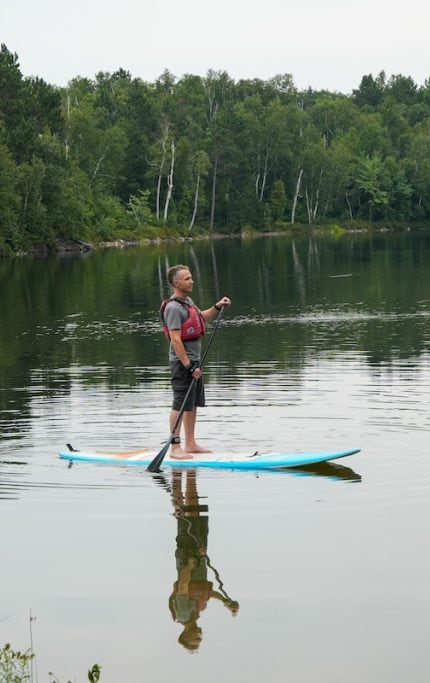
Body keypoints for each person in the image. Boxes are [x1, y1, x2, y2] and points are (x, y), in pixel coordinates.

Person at [160, 265, 231, 457]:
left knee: (191, 403)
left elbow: (202, 318)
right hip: (182, 364)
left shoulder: (187, 302)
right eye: (187, 278)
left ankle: (190, 444)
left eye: (191, 278)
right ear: (176, 283)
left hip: (194, 362)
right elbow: (175, 339)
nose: (192, 281)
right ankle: (175, 447)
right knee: (180, 403)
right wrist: (188, 365)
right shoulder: (174, 308)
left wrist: (217, 306)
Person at [167, 470, 238, 652]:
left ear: (185, 635)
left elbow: (183, 585)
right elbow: (206, 592)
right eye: (199, 640)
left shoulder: (184, 613)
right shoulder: (194, 615)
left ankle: (181, 478)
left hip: (189, 556)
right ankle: (189, 478)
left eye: (195, 639)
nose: (199, 636)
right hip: (197, 556)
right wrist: (224, 601)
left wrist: (190, 564)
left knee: (189, 513)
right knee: (195, 512)